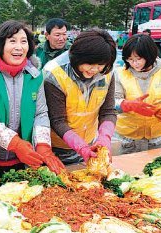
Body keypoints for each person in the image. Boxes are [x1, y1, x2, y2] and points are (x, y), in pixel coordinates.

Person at [0, 20, 65, 177]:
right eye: (12, 41)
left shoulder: (35, 76)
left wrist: (43, 147)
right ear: (0, 44)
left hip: (24, 160)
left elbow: (40, 113)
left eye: (24, 41)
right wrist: (16, 144)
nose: (19, 47)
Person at [43, 29, 117, 164]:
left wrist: (104, 138)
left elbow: (108, 111)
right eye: (89, 64)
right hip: (57, 148)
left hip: (90, 143)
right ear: (77, 58)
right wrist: (81, 147)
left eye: (100, 65)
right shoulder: (55, 73)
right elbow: (57, 120)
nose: (94, 70)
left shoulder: (107, 71)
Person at [115, 34, 161, 153]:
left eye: (138, 59)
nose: (135, 63)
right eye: (130, 59)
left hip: (158, 138)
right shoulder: (120, 74)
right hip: (129, 138)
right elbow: (113, 102)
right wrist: (128, 105)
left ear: (150, 55)